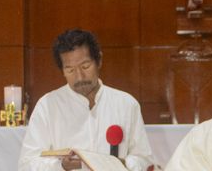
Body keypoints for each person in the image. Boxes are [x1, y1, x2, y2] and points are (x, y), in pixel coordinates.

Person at [18, 28, 155, 171]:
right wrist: (61, 166)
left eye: (85, 66)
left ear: (99, 61)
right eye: (70, 70)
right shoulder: (47, 106)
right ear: (62, 71)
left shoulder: (126, 104)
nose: (79, 77)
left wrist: (119, 164)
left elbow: (145, 161)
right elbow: (26, 165)